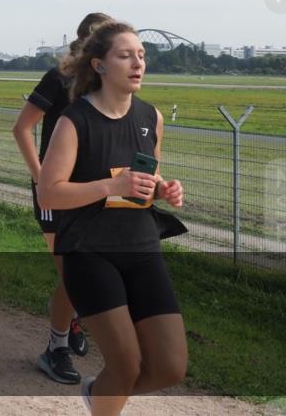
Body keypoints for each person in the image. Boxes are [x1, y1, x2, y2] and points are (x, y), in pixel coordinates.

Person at [38, 21, 187, 415]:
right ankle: (107, 396)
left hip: (142, 248)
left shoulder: (151, 117)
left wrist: (162, 189)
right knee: (125, 364)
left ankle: (97, 393)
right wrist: (109, 187)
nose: (137, 63)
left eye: (141, 55)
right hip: (89, 251)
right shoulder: (74, 121)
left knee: (171, 367)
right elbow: (49, 192)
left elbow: (143, 178)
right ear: (100, 65)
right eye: (125, 56)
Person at [12, 12, 111, 385]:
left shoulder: (107, 85)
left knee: (87, 273)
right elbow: (22, 127)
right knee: (74, 274)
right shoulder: (60, 79)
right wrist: (41, 180)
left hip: (92, 192)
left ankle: (70, 320)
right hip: (56, 192)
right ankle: (56, 348)